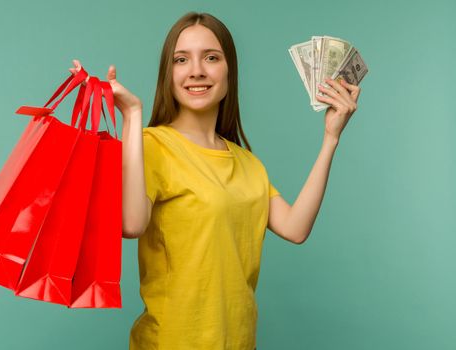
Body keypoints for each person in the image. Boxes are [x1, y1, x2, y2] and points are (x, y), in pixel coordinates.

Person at [70, 11, 360, 350]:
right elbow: (132, 224)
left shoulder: (248, 163)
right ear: (169, 73)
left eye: (211, 57)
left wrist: (330, 139)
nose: (197, 70)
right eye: (182, 59)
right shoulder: (152, 145)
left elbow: (295, 228)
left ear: (229, 71)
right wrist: (132, 116)